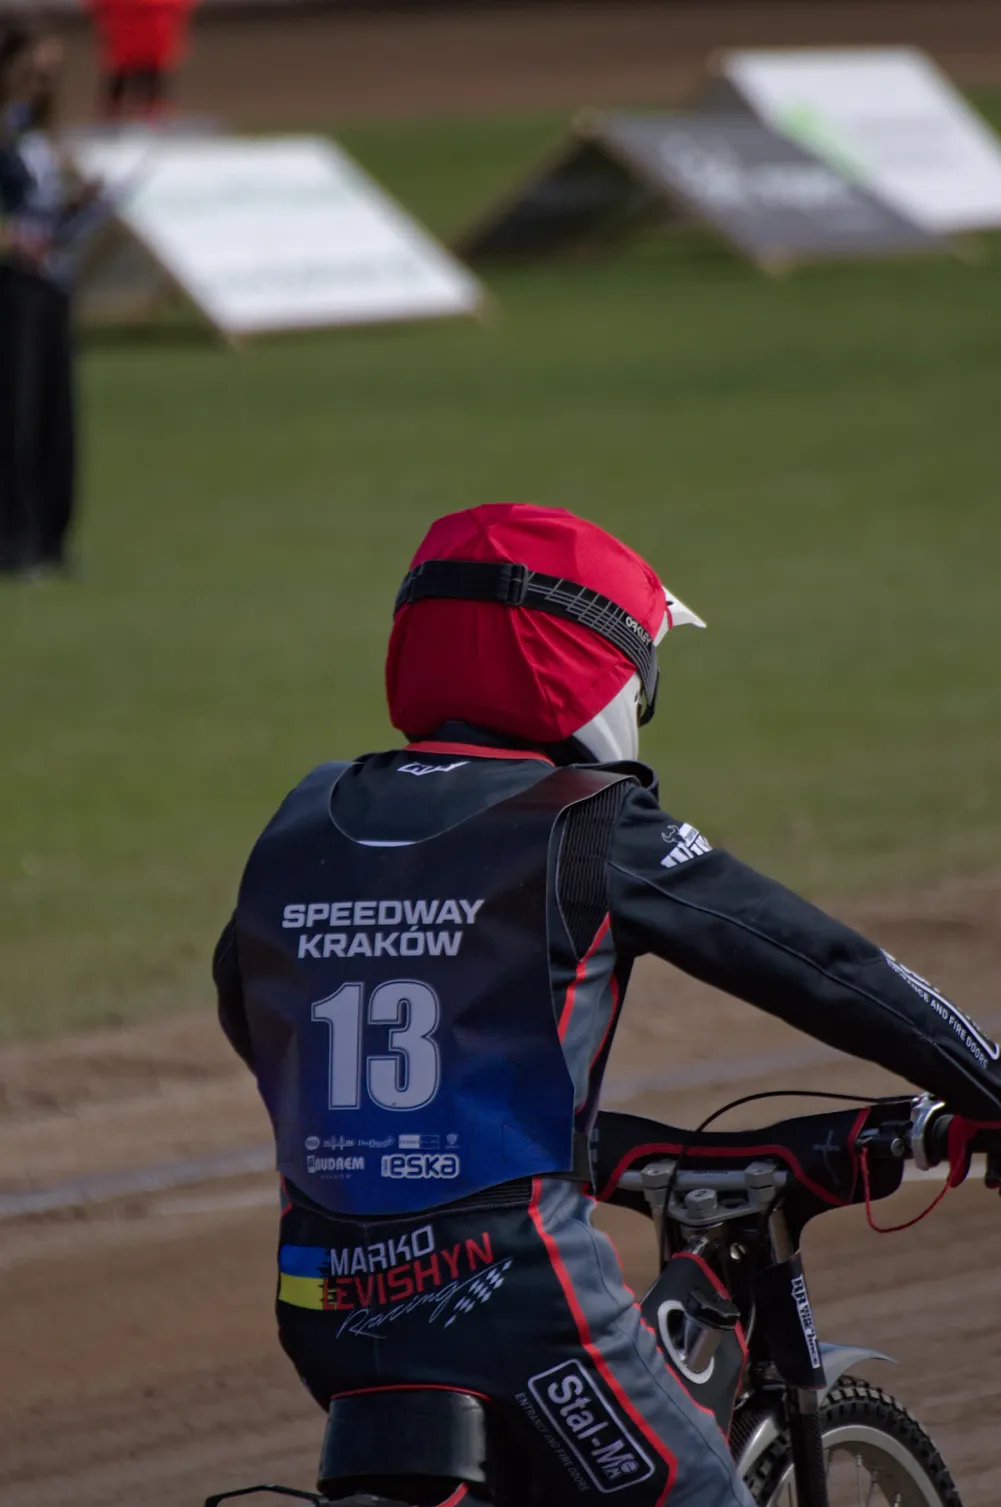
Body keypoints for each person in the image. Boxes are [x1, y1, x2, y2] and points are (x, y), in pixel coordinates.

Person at [213, 502, 1001, 1507]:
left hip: (323, 1303)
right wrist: (984, 1077)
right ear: (597, 667)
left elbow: (256, 1010)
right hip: (517, 1302)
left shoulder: (303, 816)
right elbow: (821, 965)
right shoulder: (588, 820)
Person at [0, 29, 101, 578]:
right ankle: (13, 543)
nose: (42, 85)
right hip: (12, 288)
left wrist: (78, 205)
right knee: (14, 416)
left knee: (53, 416)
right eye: (33, 73)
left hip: (51, 284)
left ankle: (50, 539)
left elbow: (42, 207)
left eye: (50, 75)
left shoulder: (36, 139)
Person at [87, 0, 195, 122]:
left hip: (144, 47)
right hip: (133, 48)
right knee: (122, 89)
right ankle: (116, 118)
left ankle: (153, 117)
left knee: (150, 89)